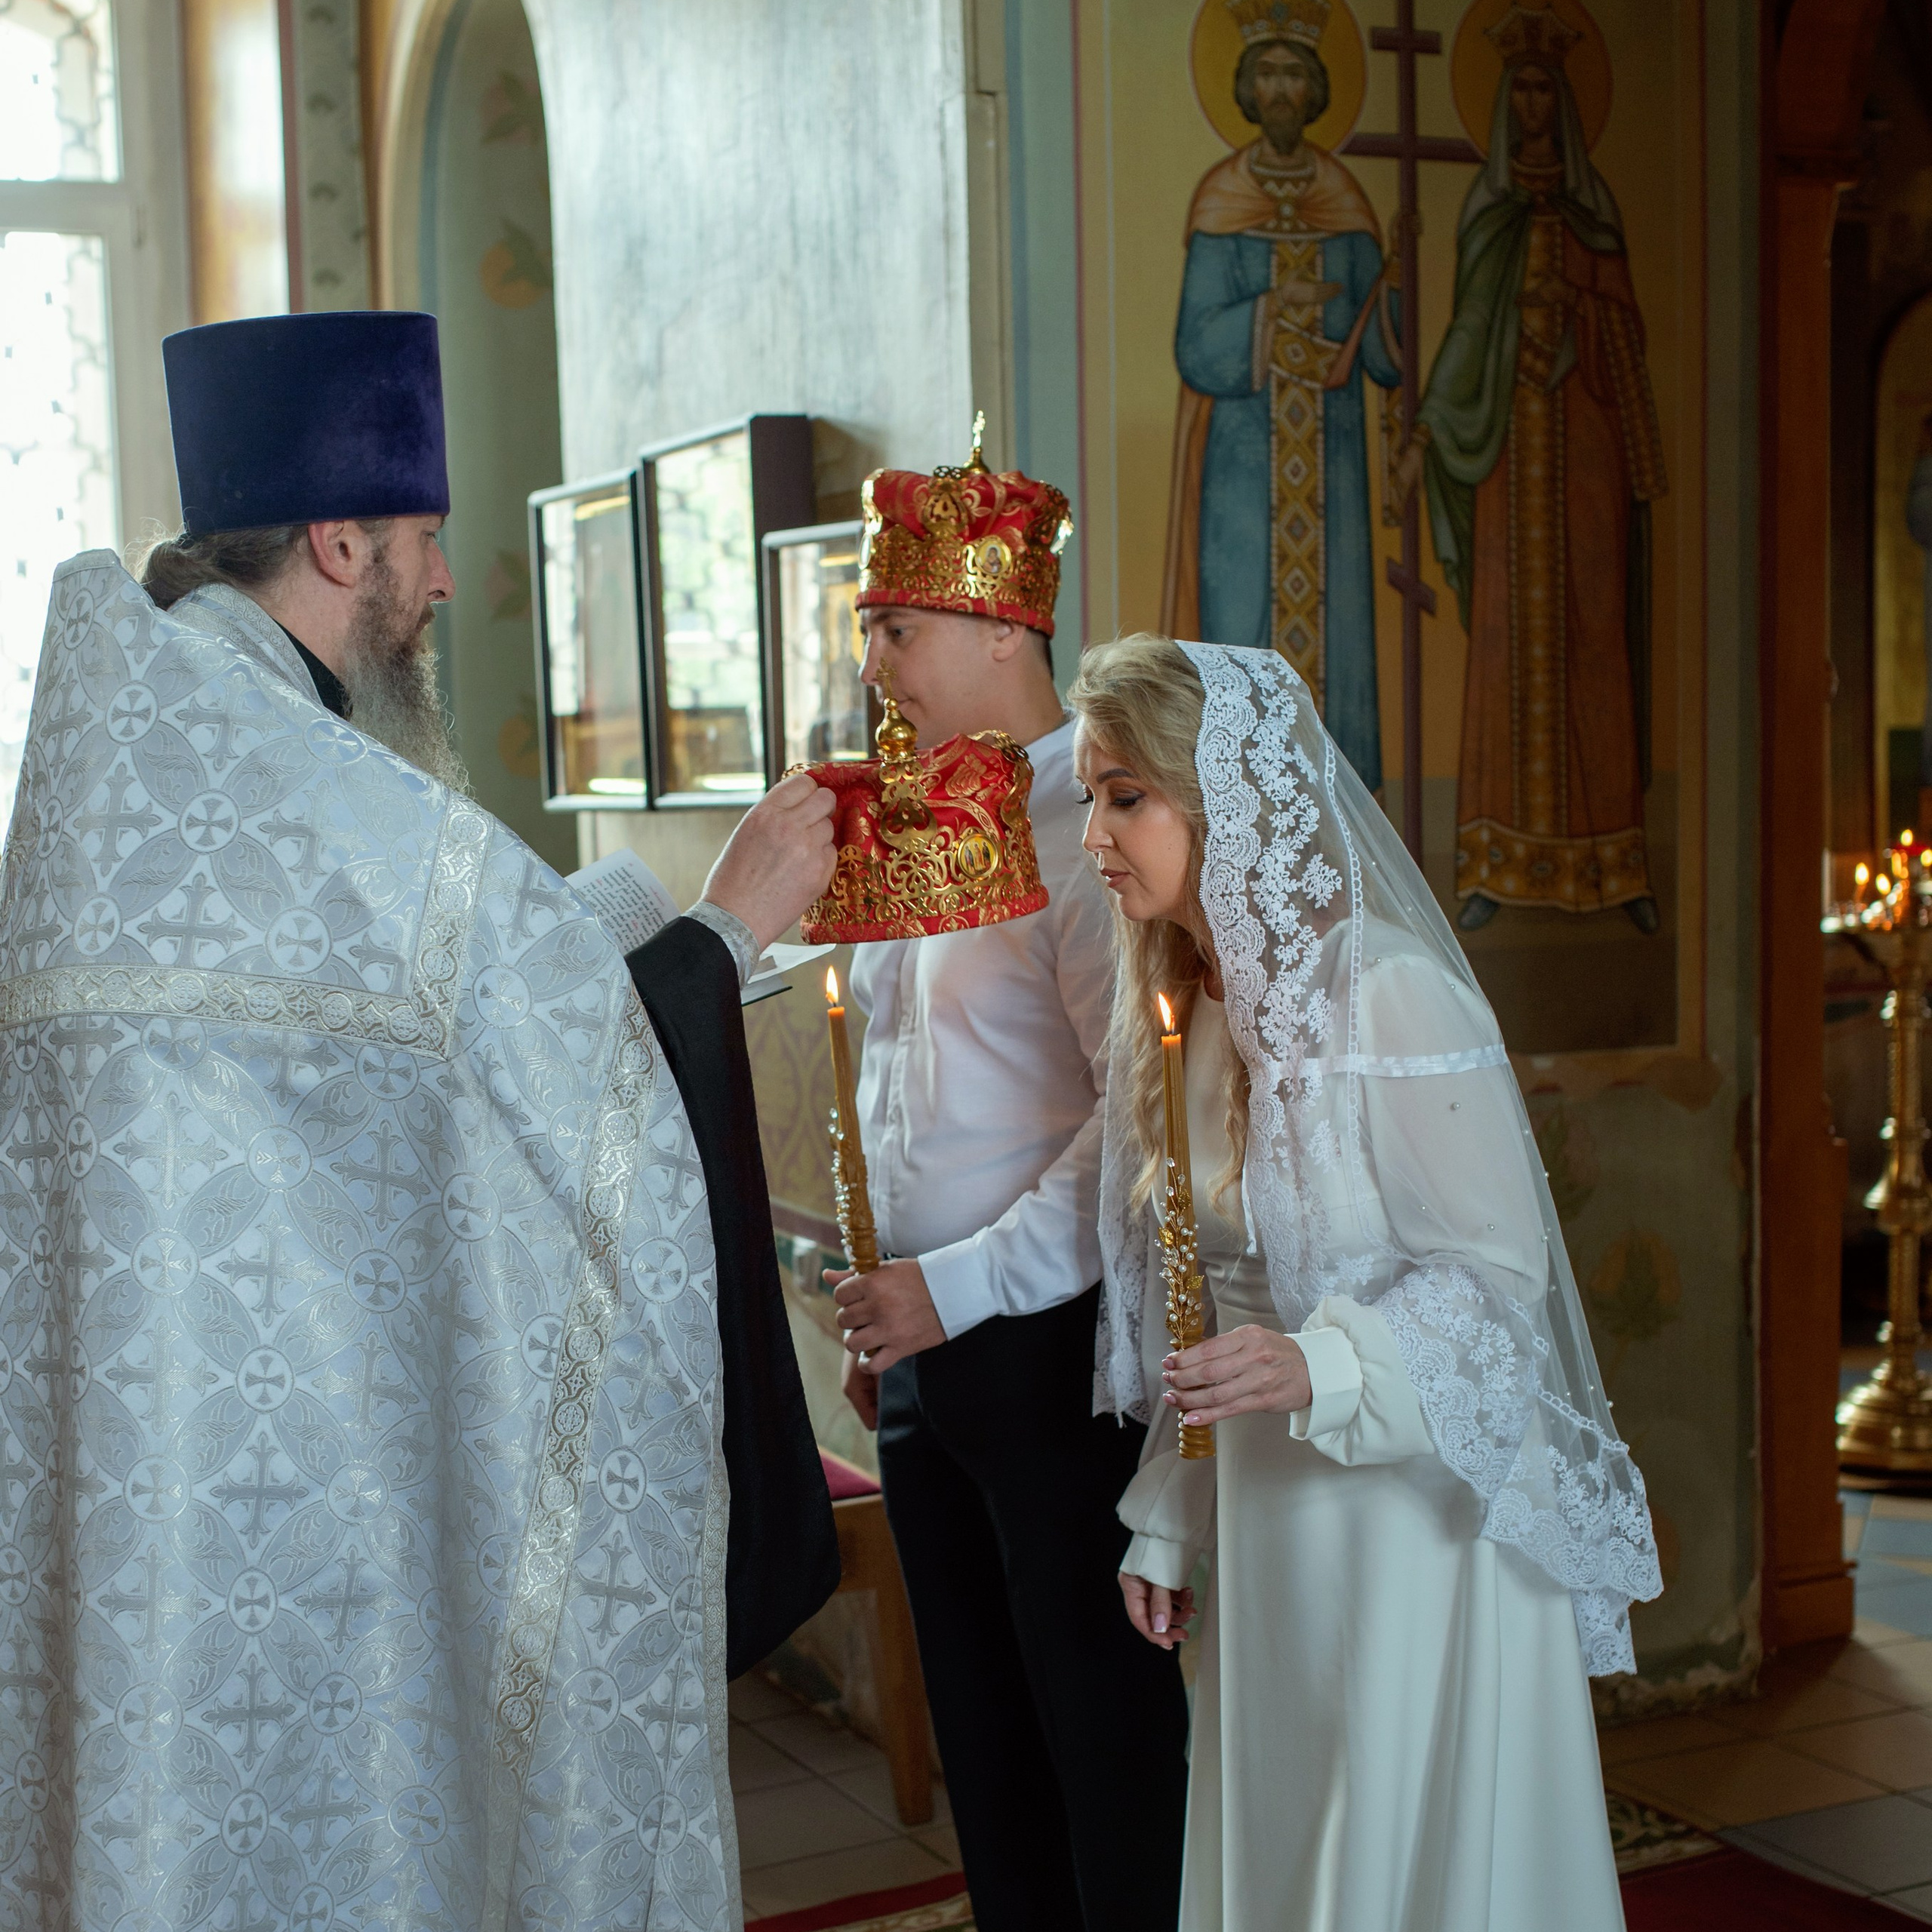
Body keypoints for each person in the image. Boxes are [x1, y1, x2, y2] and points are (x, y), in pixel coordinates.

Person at [0, 309, 838, 1929]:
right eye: (426, 541)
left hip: (162, 1482)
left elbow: (396, 1032)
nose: (444, 584)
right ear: (339, 536)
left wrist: (613, 930)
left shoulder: (165, 739)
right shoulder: (252, 754)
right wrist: (718, 929)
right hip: (285, 1496)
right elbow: (501, 1055)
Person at [1069, 633, 1662, 1932]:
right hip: (1273, 1527)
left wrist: (1326, 1365)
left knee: (1392, 1860)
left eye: (1129, 797)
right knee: (1286, 1856)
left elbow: (1498, 1288)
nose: (1097, 835)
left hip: (1409, 1529)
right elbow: (1211, 1307)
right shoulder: (1190, 1006)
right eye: (1088, 799)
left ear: (1220, 794)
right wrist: (1174, 1509)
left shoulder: (1388, 994)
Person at [828, 441, 1189, 1932]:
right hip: (921, 1355)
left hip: (1051, 1349)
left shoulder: (1090, 825)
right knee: (985, 1743)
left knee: (1095, 1741)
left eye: (890, 625)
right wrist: (890, 1311)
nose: (873, 659)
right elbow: (895, 1081)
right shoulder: (901, 813)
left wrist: (954, 1284)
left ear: (993, 626)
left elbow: (1133, 1122)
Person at [1393, 1, 1666, 932]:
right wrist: (1431, 427)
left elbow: (1628, 326)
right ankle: (1493, 867)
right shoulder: (1490, 216)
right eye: (1526, 89)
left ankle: (1614, 869)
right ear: (1511, 104)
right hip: (1509, 462)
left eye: (1553, 88)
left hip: (1583, 447)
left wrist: (1580, 319)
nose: (1539, 104)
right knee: (1505, 643)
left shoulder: (1597, 215)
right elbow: (1471, 331)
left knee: (1595, 635)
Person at [1161, 0, 1401, 790]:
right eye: (1267, 69)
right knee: (1242, 639)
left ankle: (1344, 825)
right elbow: (1196, 343)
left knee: (1338, 640)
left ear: (1316, 87)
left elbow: (1384, 354)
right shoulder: (1221, 199)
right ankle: (1238, 821)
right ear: (1245, 86)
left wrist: (1401, 295)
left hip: (1330, 461)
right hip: (1242, 464)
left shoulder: (1344, 201)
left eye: (1295, 70)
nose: (1280, 85)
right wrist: (1274, 310)